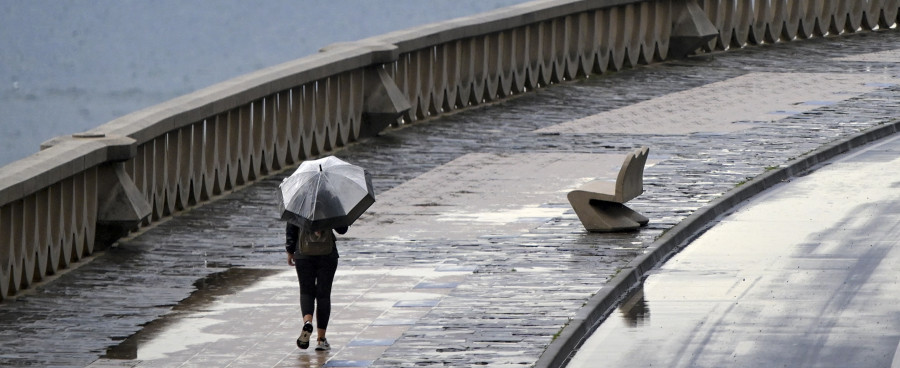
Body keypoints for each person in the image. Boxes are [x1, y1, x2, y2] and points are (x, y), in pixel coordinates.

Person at [285, 223, 348, 351]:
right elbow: (342, 229)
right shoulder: (331, 203)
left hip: (303, 252)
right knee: (323, 295)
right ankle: (321, 339)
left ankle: (307, 322)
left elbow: (291, 228)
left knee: (306, 292)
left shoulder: (300, 204)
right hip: (327, 254)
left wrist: (290, 251)